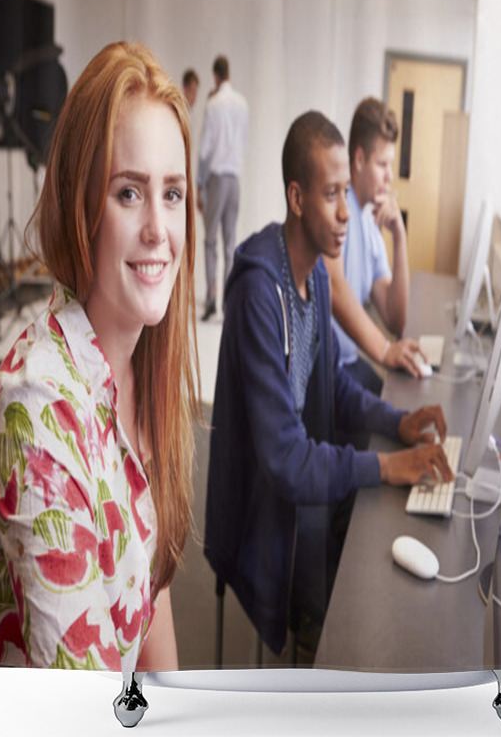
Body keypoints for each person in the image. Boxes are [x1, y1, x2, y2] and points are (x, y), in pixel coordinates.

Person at [204, 111, 452, 661]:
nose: (346, 213)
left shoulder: (314, 272)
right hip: (257, 509)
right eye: (331, 194)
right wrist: (390, 466)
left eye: (347, 193)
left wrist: (397, 422)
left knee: (364, 524)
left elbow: (331, 381)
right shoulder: (258, 293)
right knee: (362, 555)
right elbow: (288, 462)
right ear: (296, 198)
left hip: (288, 490)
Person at [0, 42, 201, 672]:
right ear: (81, 206)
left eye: (172, 195)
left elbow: (151, 591)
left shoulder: (143, 363)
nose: (159, 233)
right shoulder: (39, 411)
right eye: (128, 193)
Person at [323, 97, 427, 395]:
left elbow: (396, 318)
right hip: (328, 372)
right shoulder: (335, 210)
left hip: (350, 364)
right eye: (382, 164)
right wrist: (384, 350)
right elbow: (334, 285)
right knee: (391, 414)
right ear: (358, 160)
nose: (390, 176)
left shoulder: (370, 226)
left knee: (400, 401)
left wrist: (399, 236)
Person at [196, 54, 249, 321]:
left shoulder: (213, 104)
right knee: (230, 244)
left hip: (217, 178)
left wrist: (199, 183)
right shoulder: (242, 104)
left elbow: (205, 149)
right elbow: (244, 141)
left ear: (215, 75)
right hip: (234, 179)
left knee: (209, 241)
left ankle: (211, 300)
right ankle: (228, 301)